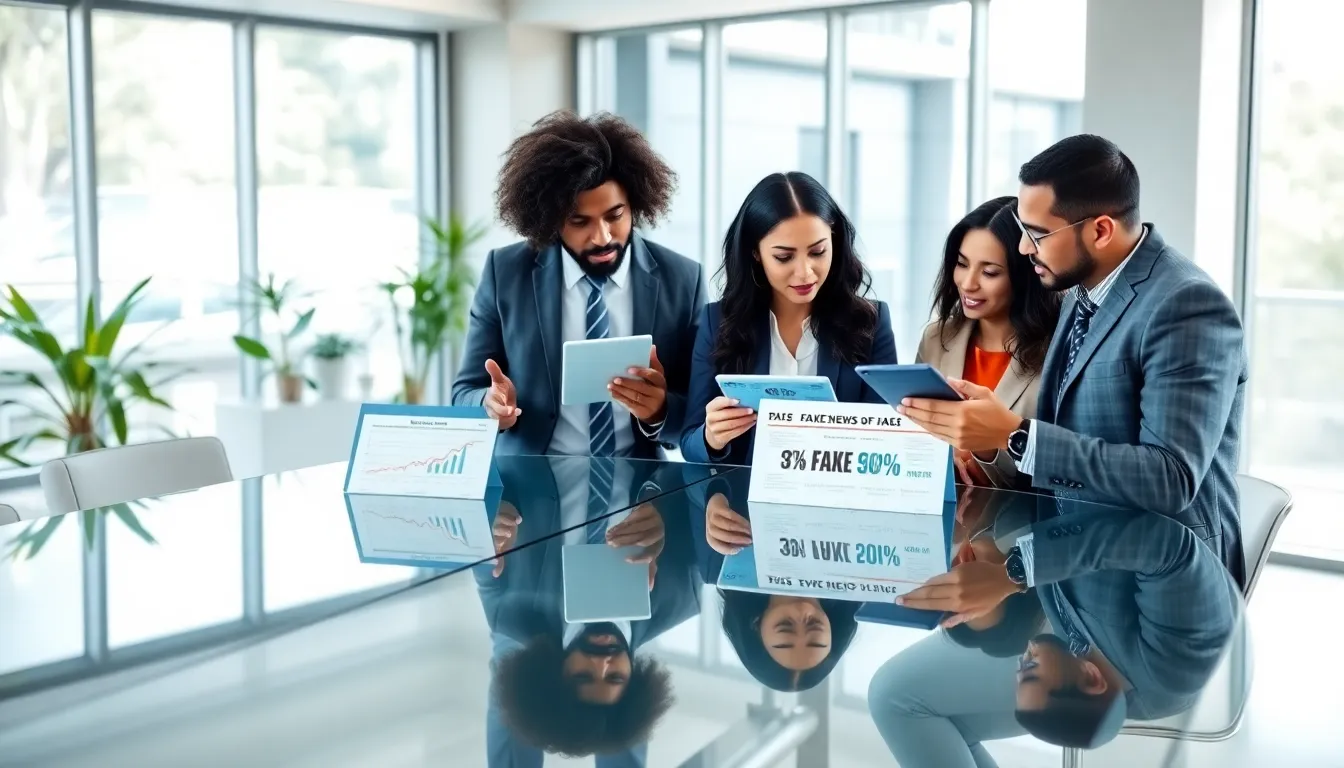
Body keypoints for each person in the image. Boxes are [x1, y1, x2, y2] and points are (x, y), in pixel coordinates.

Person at [895, 134, 1248, 585]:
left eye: (1037, 235)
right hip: (1076, 563)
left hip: (1165, 580)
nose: (1023, 249)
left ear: (1100, 230)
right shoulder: (1079, 294)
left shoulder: (1187, 306)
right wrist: (991, 438)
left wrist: (1014, 433)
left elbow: (1170, 479)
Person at [870, 500, 1242, 763]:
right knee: (894, 697)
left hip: (1059, 515)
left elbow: (1036, 519)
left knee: (902, 701)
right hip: (1140, 499)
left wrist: (992, 571)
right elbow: (1166, 544)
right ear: (1091, 676)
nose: (1023, 661)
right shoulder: (1175, 661)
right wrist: (1013, 573)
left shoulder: (1082, 654)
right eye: (1028, 670)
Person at [452, 110, 707, 458]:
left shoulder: (682, 280)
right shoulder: (506, 273)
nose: (602, 237)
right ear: (551, 219)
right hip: (530, 492)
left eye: (615, 216)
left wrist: (660, 410)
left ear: (636, 204)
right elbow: (464, 391)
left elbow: (698, 412)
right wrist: (490, 404)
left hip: (642, 493)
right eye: (579, 221)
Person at [479, 458, 702, 765]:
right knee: (612, 730)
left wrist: (490, 515)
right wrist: (660, 504)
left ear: (559, 673)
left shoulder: (511, 609)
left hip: (545, 450)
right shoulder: (682, 596)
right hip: (636, 453)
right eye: (614, 678)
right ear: (633, 677)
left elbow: (482, 508)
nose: (602, 663)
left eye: (583, 676)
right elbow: (699, 481)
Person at [680, 172, 897, 465]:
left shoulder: (871, 322)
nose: (805, 272)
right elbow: (690, 442)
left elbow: (888, 437)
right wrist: (712, 438)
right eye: (784, 257)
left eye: (818, 251)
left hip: (839, 499)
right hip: (744, 504)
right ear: (755, 253)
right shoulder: (718, 322)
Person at [918, 196, 1061, 487]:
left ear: (1025, 276)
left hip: (1021, 524)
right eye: (961, 264)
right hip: (948, 516)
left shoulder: (1060, 352)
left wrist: (985, 454)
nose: (968, 283)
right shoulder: (936, 338)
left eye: (989, 272)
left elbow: (1061, 468)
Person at [703, 489, 859, 692]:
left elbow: (695, 471)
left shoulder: (718, 565)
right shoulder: (859, 570)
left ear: (756, 626)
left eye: (786, 626)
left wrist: (715, 496)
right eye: (814, 626)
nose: (803, 614)